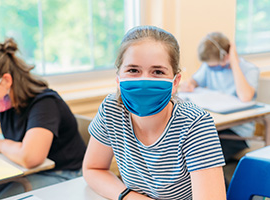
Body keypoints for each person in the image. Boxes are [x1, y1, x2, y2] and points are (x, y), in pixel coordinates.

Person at [83, 26, 226, 200]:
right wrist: (129, 197)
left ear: (175, 82)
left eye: (157, 72)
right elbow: (93, 168)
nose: (144, 81)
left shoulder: (195, 124)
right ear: (118, 77)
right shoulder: (111, 110)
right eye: (133, 70)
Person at [0, 38, 86, 200]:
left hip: (64, 174)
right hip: (26, 171)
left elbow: (30, 157)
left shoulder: (44, 104)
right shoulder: (3, 103)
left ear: (6, 81)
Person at [180, 32, 260, 162]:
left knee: (205, 156)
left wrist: (234, 63)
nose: (214, 69)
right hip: (215, 128)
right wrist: (190, 84)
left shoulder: (249, 70)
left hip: (237, 133)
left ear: (226, 56)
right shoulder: (208, 67)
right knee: (189, 147)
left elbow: (245, 97)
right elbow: (195, 80)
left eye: (216, 65)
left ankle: (225, 183)